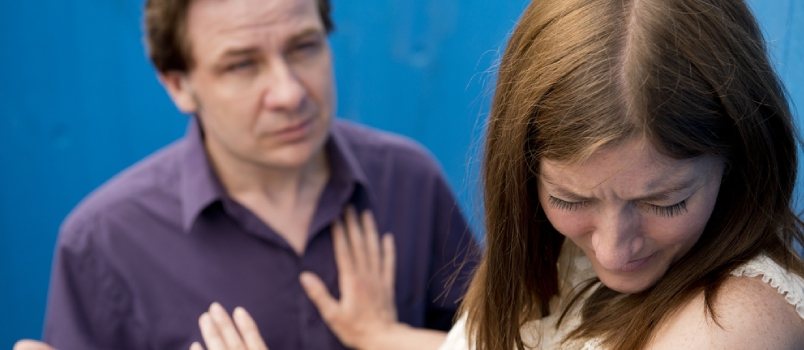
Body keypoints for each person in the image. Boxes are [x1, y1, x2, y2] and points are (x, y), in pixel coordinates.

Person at [184, 0, 804, 348]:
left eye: (665, 202)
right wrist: (385, 336)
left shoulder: (735, 322)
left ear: (743, 157)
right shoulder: (564, 264)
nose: (614, 249)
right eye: (570, 197)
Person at [16, 0, 478, 348]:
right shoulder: (103, 243)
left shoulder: (410, 181)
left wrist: (390, 339)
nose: (289, 92)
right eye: (241, 64)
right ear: (179, 85)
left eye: (303, 47)